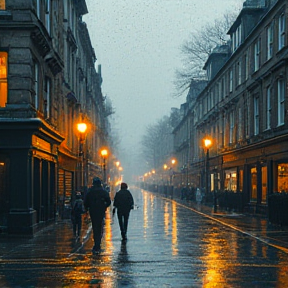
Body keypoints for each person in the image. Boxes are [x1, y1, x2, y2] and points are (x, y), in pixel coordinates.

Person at [84, 177, 111, 254]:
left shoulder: (90, 192)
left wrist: (88, 208)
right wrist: (104, 206)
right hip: (100, 211)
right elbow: (108, 201)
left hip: (93, 211)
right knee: (100, 226)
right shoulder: (103, 192)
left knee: (94, 226)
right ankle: (98, 243)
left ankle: (96, 243)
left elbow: (86, 202)